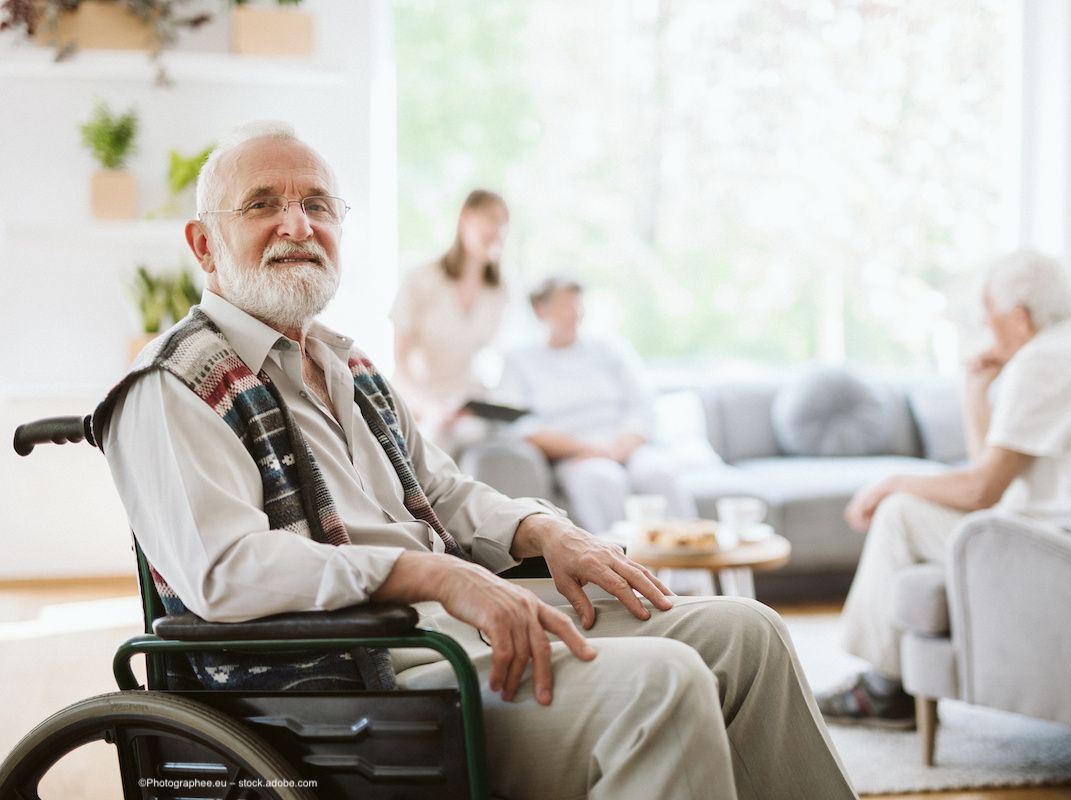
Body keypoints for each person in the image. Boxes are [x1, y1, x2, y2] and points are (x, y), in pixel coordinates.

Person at [93, 121, 857, 800]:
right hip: (359, 677)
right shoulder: (172, 384)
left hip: (444, 630)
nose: (298, 224)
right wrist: (435, 575)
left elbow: (445, 491)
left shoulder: (346, 364)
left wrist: (541, 529)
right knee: (665, 685)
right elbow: (226, 572)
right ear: (204, 244)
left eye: (317, 204)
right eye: (263, 204)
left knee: (748, 634)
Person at [816, 249, 1071, 730]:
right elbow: (988, 475)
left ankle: (884, 691)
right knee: (912, 511)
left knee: (900, 512)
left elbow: (980, 492)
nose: (983, 323)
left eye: (988, 310)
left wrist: (891, 482)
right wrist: (976, 389)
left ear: (1019, 317)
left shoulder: (1045, 361)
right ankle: (889, 683)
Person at [495, 275, 698, 535]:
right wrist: (584, 448)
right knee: (603, 480)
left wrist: (624, 444)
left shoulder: (609, 348)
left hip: (626, 443)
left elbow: (642, 402)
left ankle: (687, 556)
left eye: (577, 304)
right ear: (540, 310)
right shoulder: (519, 360)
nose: (575, 313)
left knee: (658, 473)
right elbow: (517, 424)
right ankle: (619, 559)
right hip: (575, 453)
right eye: (565, 306)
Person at [390, 189, 511, 445]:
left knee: (489, 439)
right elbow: (401, 363)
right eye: (491, 218)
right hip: (419, 402)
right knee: (435, 440)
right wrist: (429, 408)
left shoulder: (498, 291)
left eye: (504, 222)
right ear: (466, 218)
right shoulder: (421, 279)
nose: (498, 230)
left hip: (466, 404)